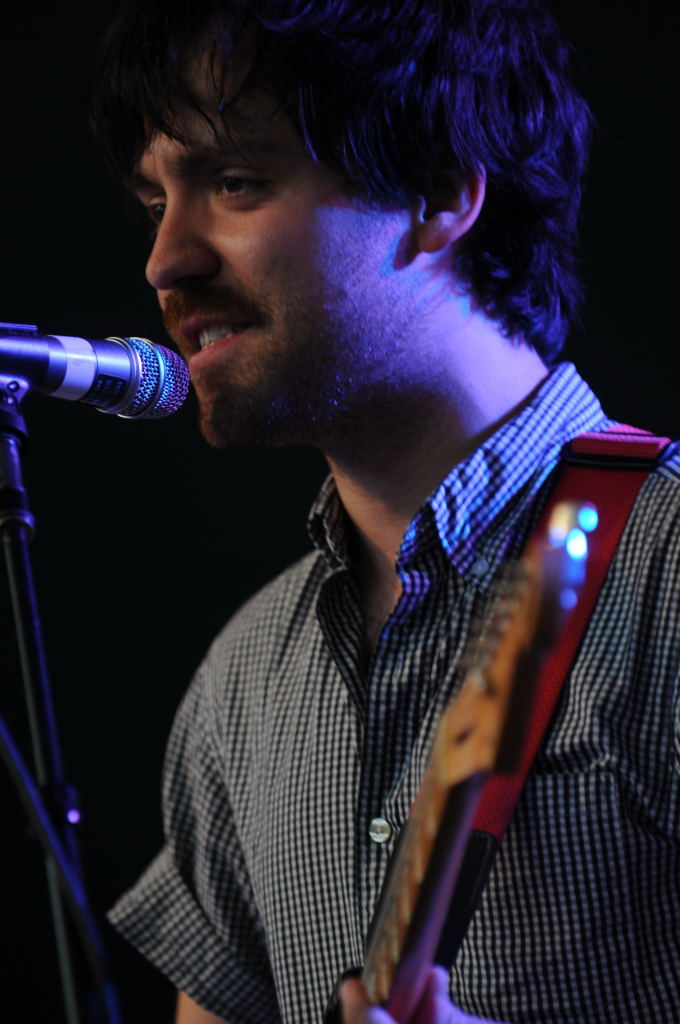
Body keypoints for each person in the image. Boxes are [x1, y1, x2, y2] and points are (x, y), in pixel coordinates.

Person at [90, 1, 680, 1021]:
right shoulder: (244, 680)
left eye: (234, 182)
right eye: (154, 204)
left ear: (438, 191)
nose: (164, 260)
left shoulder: (665, 575)